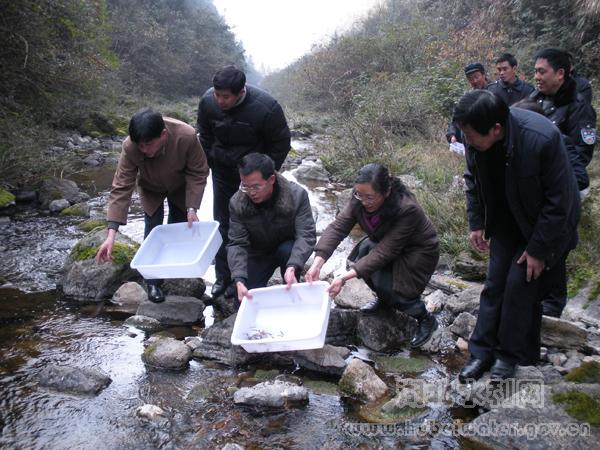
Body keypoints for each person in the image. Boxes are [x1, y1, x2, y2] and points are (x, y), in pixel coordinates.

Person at [455, 90, 580, 383]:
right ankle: (481, 353)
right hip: (507, 221)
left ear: (496, 129)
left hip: (544, 225)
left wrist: (539, 249)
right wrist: (476, 222)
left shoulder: (541, 138)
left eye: (471, 135)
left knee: (519, 285)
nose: (467, 140)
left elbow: (560, 202)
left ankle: (507, 357)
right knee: (494, 284)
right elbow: (472, 181)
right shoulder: (474, 138)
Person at [305, 163, 439, 349]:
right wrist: (317, 263)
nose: (363, 201)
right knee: (362, 256)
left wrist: (344, 277)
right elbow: (338, 227)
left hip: (416, 253)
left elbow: (386, 251)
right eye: (359, 195)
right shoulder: (359, 198)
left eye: (370, 197)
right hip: (384, 245)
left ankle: (425, 318)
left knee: (397, 290)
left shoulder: (407, 208)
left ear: (386, 192)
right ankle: (384, 302)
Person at [197, 66, 291, 299]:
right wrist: (212, 161)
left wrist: (264, 178)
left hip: (253, 177)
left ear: (241, 92)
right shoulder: (208, 102)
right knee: (223, 223)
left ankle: (246, 277)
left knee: (250, 225)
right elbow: (205, 136)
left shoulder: (266, 108)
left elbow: (280, 144)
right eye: (217, 95)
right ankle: (223, 277)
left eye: (225, 97)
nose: (220, 101)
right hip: (222, 173)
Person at [96, 109, 209, 303]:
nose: (144, 150)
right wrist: (111, 234)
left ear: (163, 134)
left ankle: (172, 271)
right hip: (150, 187)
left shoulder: (187, 136)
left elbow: (198, 172)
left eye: (149, 144)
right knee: (153, 228)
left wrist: (192, 208)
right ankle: (152, 282)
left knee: (177, 227)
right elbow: (121, 187)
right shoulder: (130, 146)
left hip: (180, 186)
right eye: (140, 145)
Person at [227, 153, 316, 302]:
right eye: (245, 186)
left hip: (287, 248)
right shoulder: (237, 203)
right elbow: (237, 243)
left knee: (287, 251)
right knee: (244, 298)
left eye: (256, 187)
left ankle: (291, 289)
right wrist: (239, 278)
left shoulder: (297, 195)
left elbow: (306, 235)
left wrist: (293, 265)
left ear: (271, 180)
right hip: (258, 252)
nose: (251, 192)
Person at [530, 48, 596, 168]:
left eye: (542, 72)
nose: (536, 77)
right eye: (535, 71)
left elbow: (581, 155)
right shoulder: (533, 99)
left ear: (560, 73)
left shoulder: (579, 107)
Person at [447, 63, 492, 144]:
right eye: (470, 79)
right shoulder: (469, 97)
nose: (474, 81)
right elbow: (457, 118)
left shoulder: (496, 92)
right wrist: (452, 134)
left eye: (476, 77)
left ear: (483, 75)